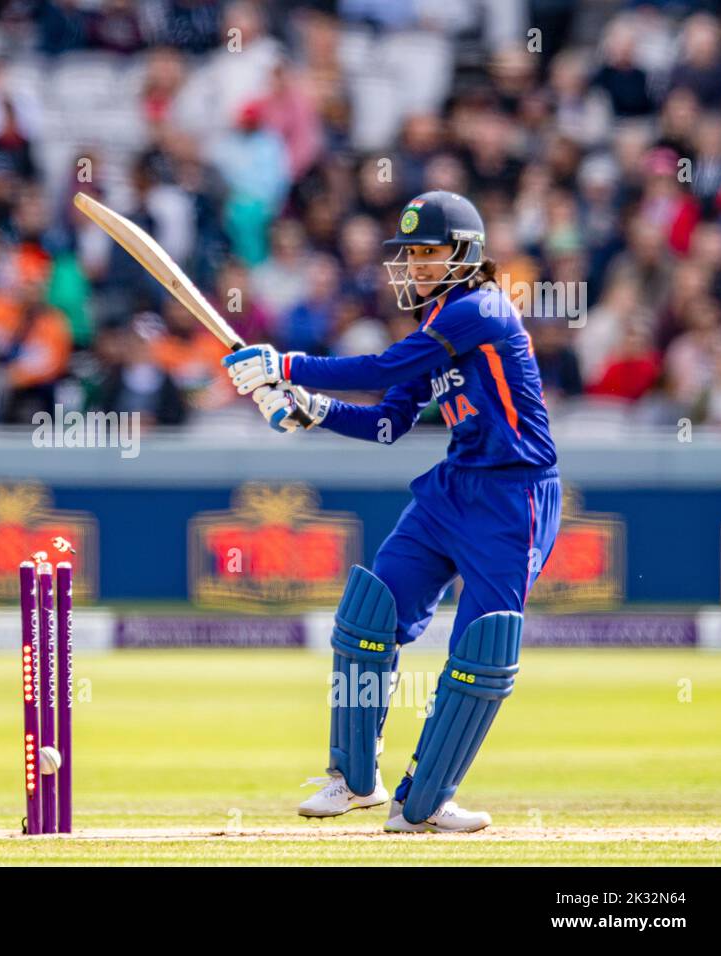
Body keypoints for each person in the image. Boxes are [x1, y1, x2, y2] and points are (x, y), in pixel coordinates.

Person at [223, 192, 560, 833]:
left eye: (429, 253)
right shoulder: (436, 325)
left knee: (483, 648)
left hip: (513, 497)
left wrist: (285, 363)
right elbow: (386, 422)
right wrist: (308, 407)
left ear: (465, 254)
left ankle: (424, 802)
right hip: (453, 487)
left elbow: (383, 367)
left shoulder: (482, 310)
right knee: (369, 613)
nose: (416, 265)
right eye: (410, 254)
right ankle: (354, 779)